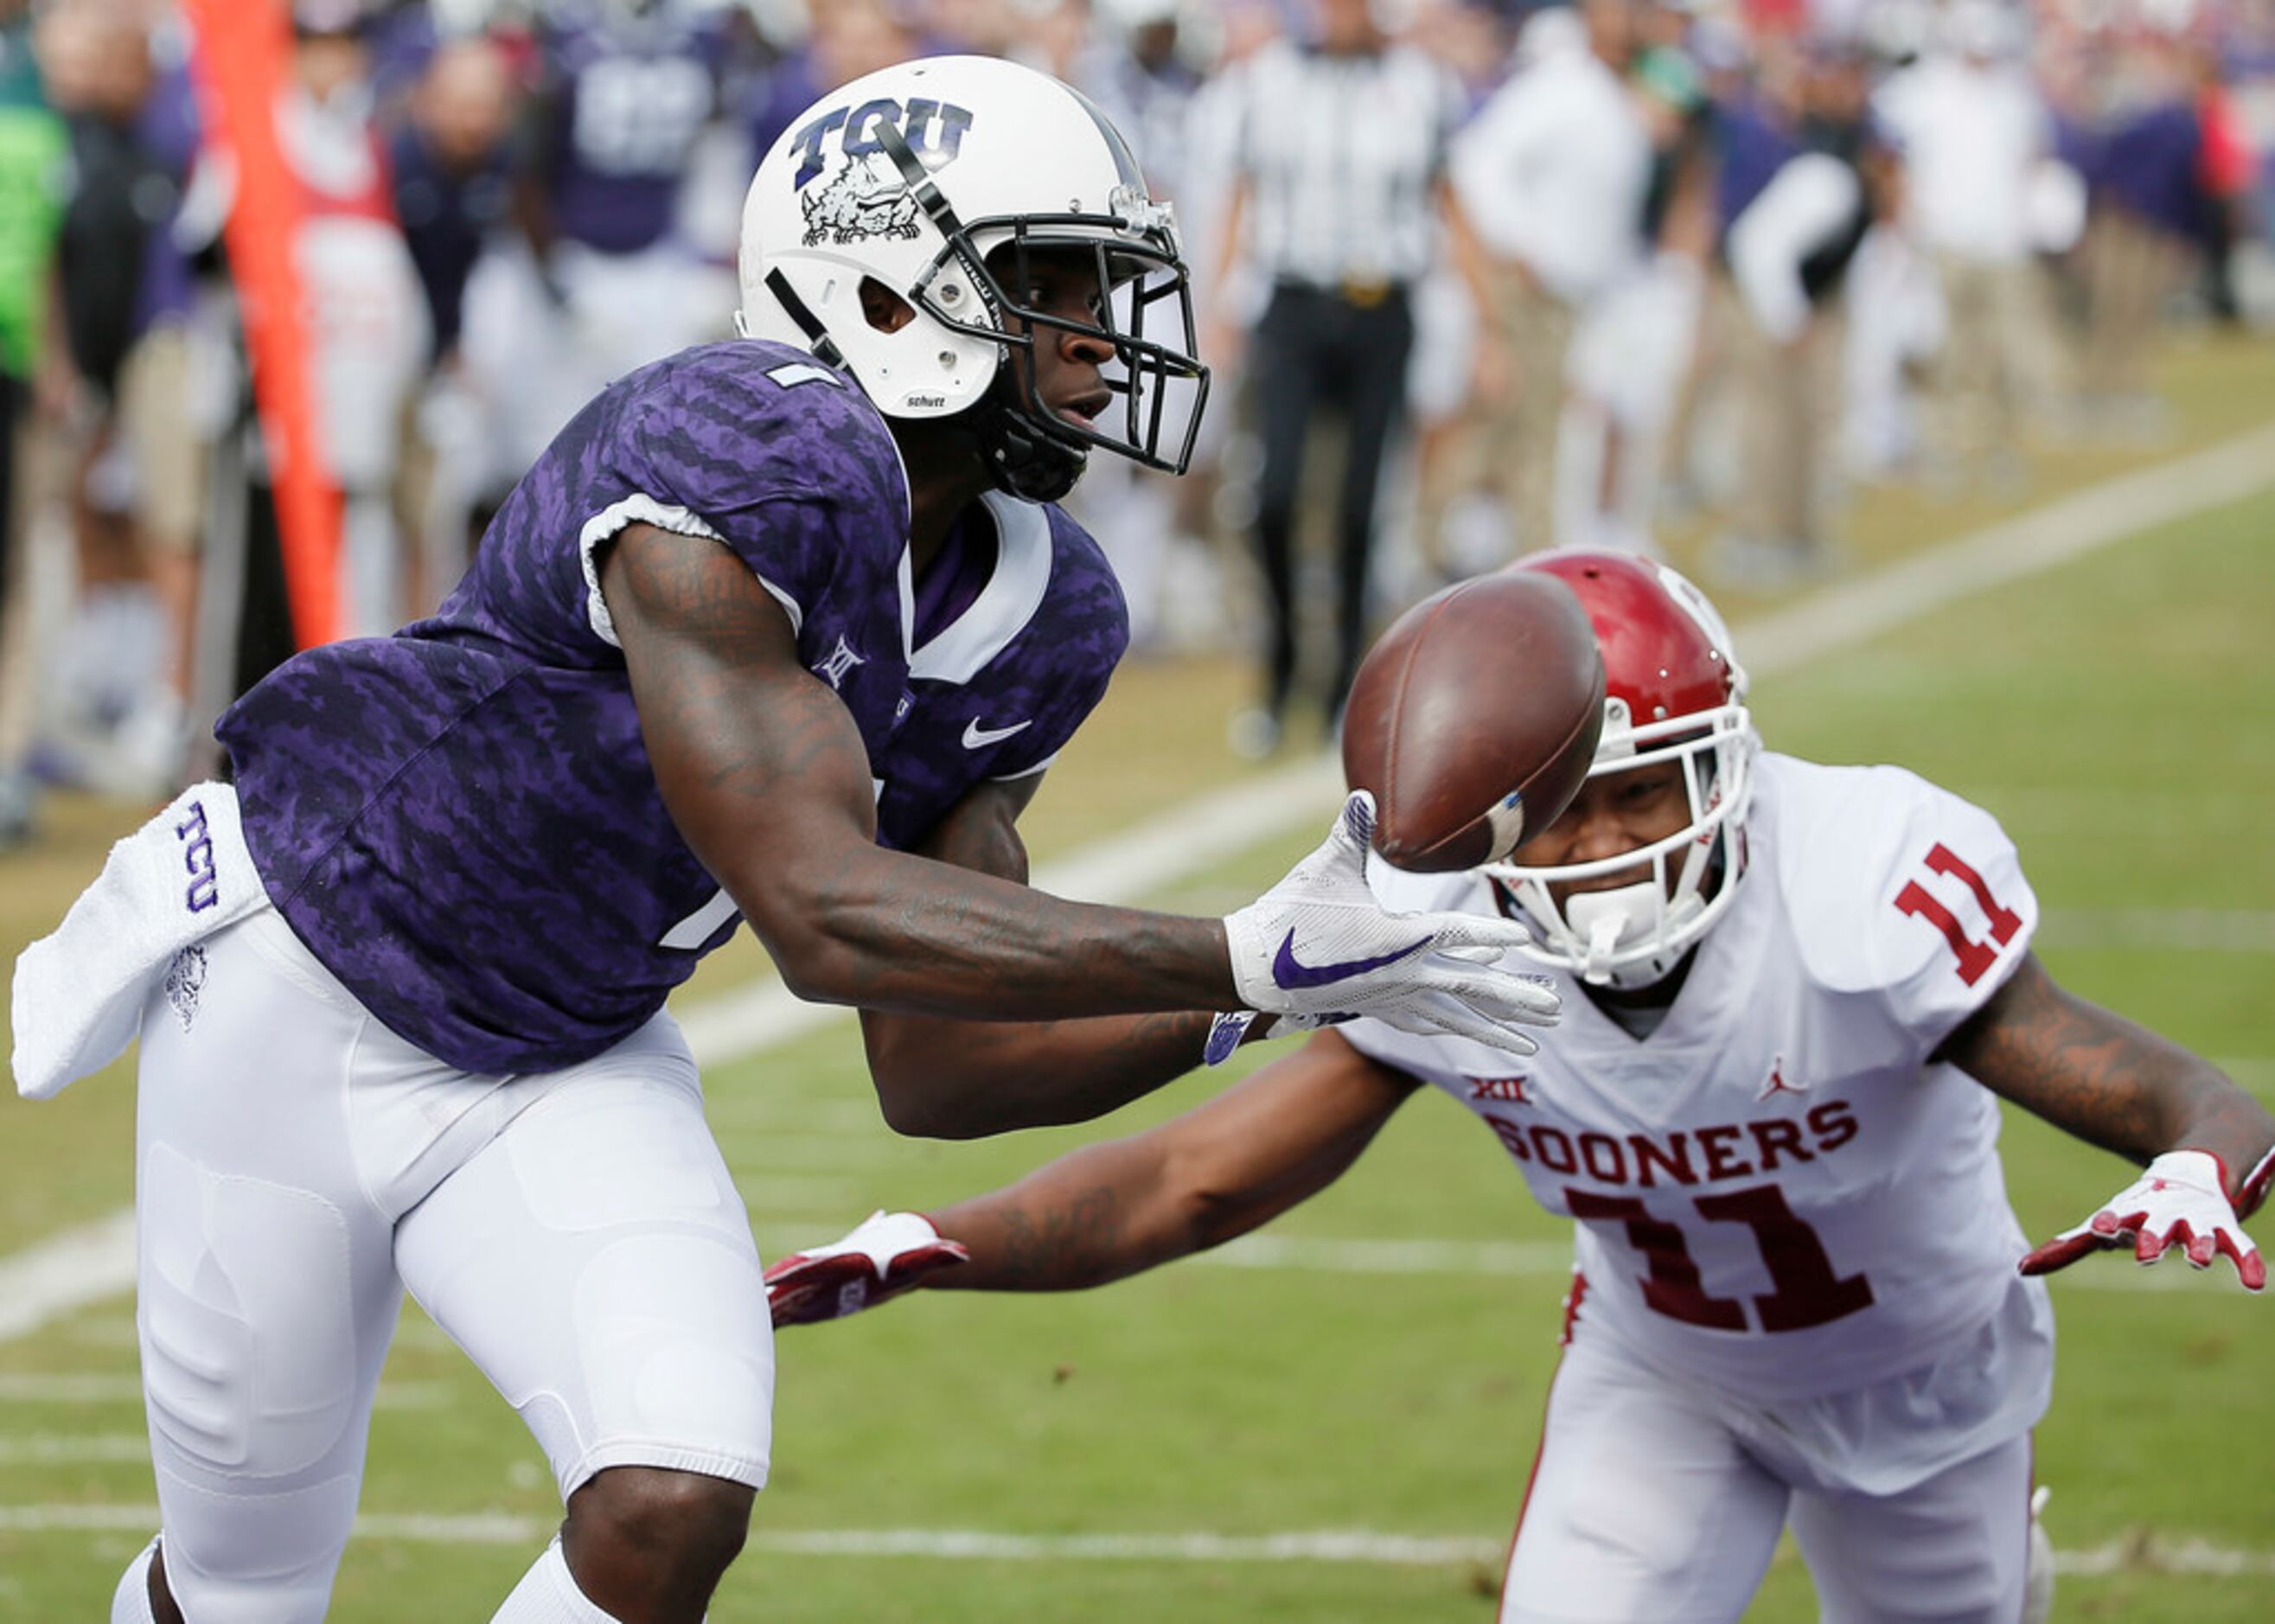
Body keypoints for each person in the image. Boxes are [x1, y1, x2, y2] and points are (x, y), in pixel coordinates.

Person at [10, 56, 1562, 1624]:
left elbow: (936, 1066)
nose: (1100, 346)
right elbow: (819, 910)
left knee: (673, 1486)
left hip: (563, 1045)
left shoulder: (1048, 607)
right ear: (887, 286)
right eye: (1058, 288)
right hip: (307, 977)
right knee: (246, 1587)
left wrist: (1275, 995)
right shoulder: (737, 442)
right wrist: (1240, 944)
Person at [768, 549, 2275, 1624]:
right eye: (1562, 806)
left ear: (1728, 762)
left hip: (1933, 1390)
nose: (1602, 843)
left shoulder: (1855, 883)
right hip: (1666, 1383)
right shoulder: (1447, 932)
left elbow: (2139, 1077)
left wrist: (2204, 1151)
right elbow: (1193, 1178)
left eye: (1640, 791)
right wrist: (937, 1241)